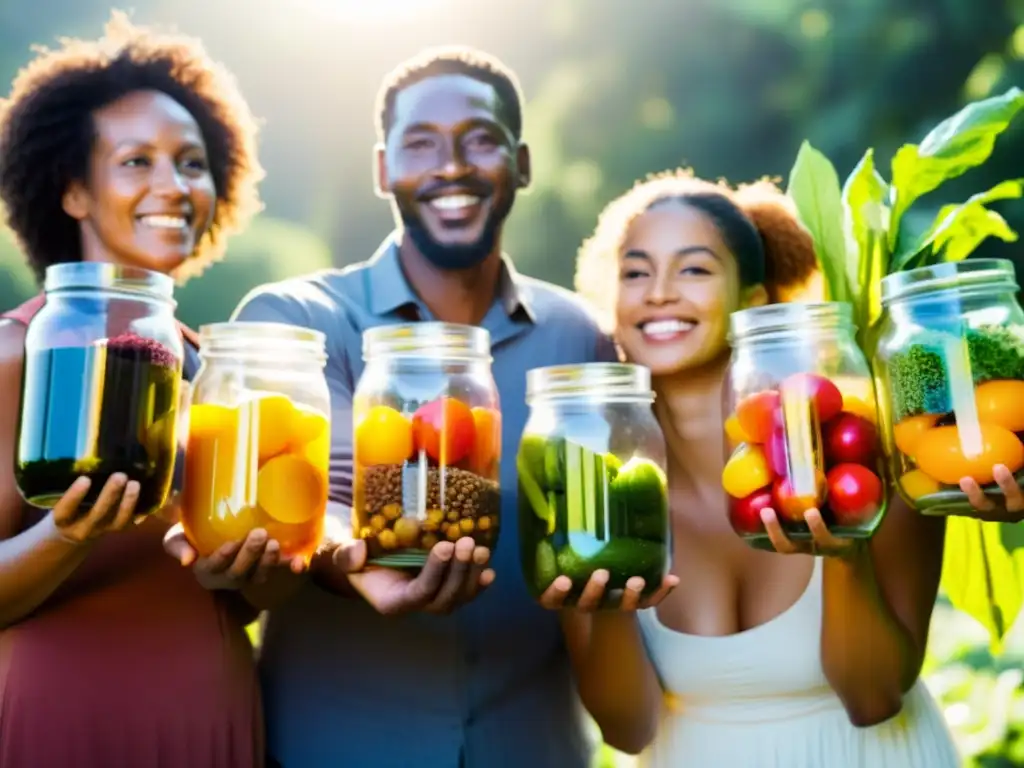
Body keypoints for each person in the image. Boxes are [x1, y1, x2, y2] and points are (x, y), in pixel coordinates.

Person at [217, 47, 620, 767]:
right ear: (383, 170)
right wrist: (358, 562)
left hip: (532, 747)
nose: (452, 166)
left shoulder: (578, 336)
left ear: (522, 163)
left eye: (481, 139)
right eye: (421, 144)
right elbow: (309, 501)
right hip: (334, 748)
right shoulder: (296, 319)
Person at [563, 169, 962, 766]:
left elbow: (874, 697)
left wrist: (845, 554)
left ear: (754, 302)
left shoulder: (859, 452)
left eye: (693, 269)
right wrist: (611, 608)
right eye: (636, 272)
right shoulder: (598, 488)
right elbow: (627, 730)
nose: (658, 291)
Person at [0, 12, 280, 766]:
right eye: (136, 162)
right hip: (62, 725)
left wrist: (250, 573)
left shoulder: (213, 365)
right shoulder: (18, 352)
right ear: (72, 193)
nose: (174, 186)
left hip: (212, 719)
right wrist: (68, 533)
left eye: (192, 162)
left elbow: (231, 596)